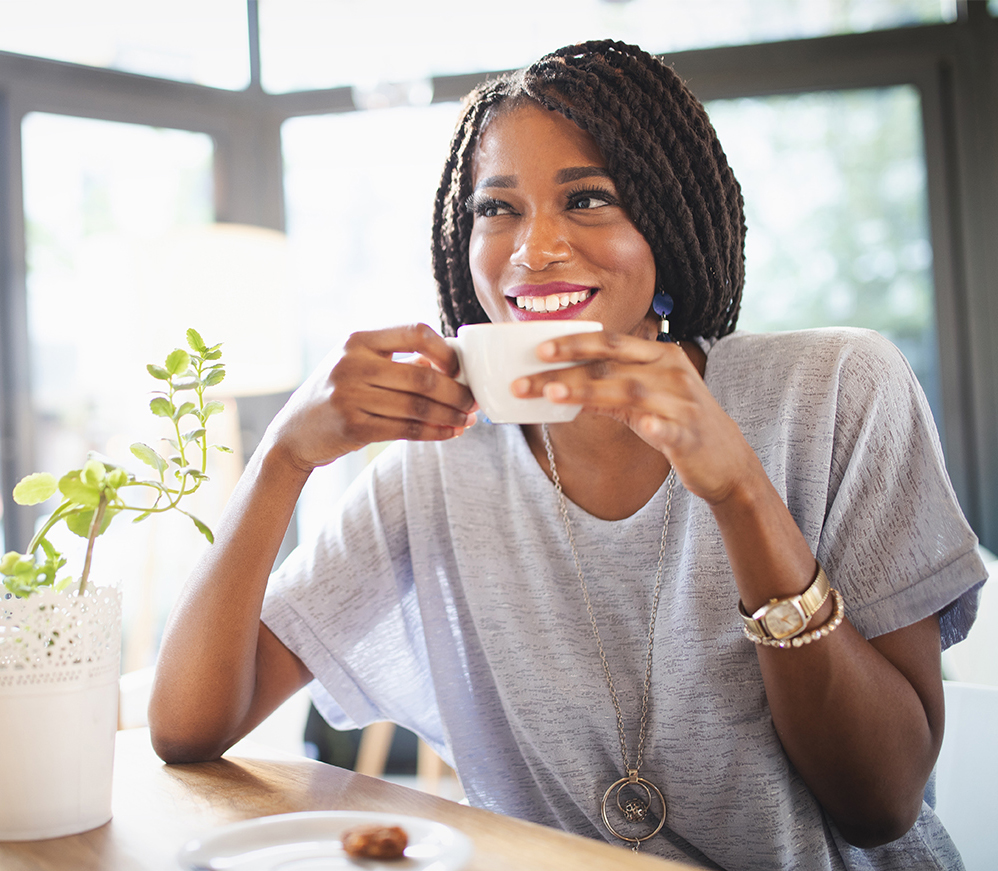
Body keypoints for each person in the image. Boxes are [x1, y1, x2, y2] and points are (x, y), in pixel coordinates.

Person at [148, 40, 987, 870]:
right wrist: (284, 457)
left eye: (587, 198)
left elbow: (881, 803)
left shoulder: (837, 387)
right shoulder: (438, 458)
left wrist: (739, 493)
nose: (533, 248)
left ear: (664, 215)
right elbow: (188, 723)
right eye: (496, 208)